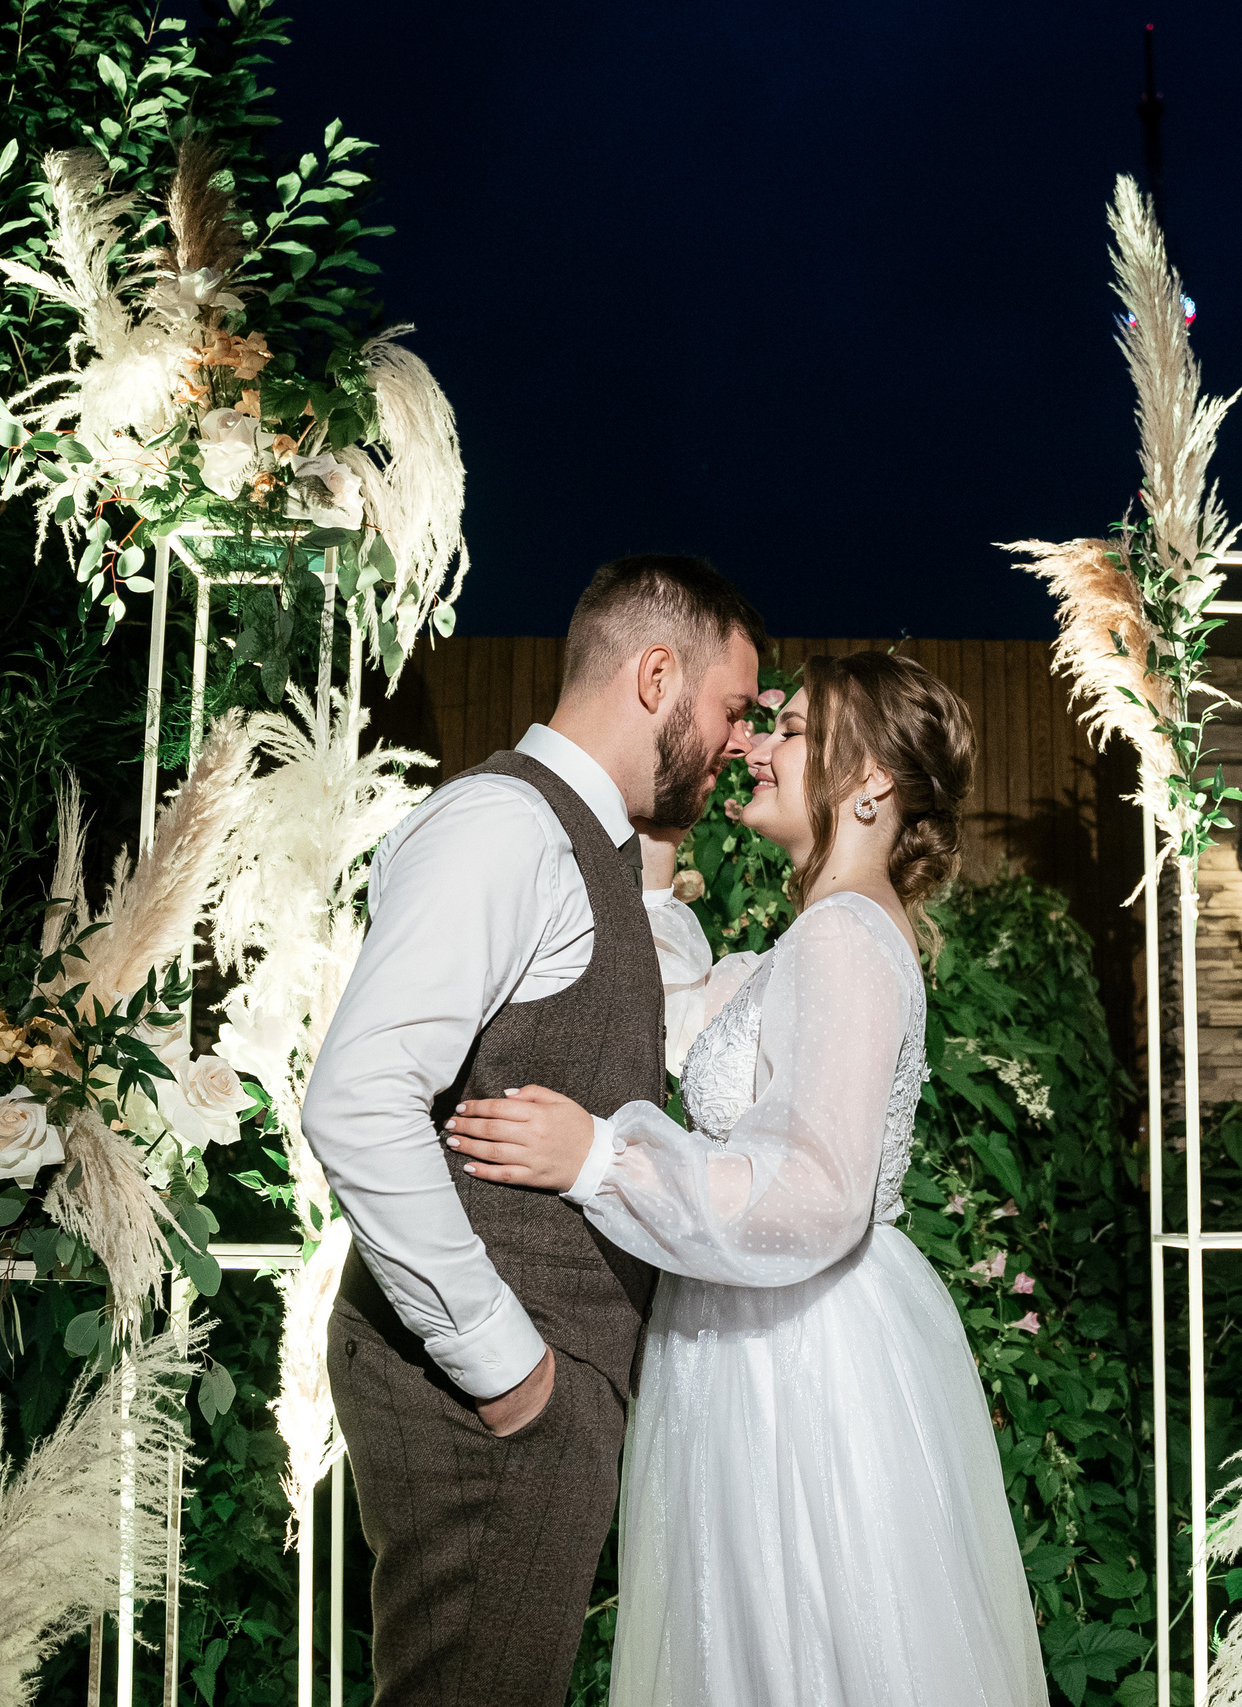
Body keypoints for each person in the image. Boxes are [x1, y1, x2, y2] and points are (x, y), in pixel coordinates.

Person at [443, 652, 1050, 1707]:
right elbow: (699, 1022)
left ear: (871, 782)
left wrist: (598, 1159)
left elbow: (816, 1192)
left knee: (796, 1644)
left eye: (795, 730)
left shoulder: (844, 939)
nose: (761, 747)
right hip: (767, 1337)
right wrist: (651, 865)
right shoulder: (824, 935)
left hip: (800, 1360)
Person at [304, 554, 765, 1707]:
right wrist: (509, 1373)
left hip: (541, 1393)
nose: (739, 741)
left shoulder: (589, 847)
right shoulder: (505, 828)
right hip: (492, 1401)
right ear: (654, 677)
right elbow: (357, 1097)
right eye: (730, 709)